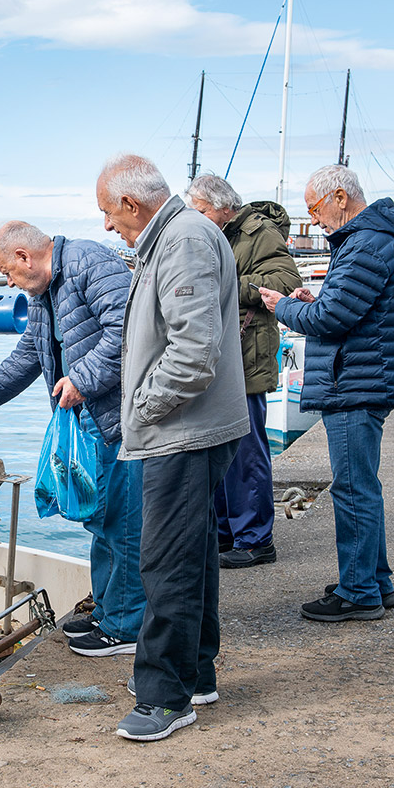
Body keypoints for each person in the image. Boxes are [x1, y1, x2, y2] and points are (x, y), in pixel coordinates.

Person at [0, 221, 144, 658]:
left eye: (6, 271)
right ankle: (109, 611)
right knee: (101, 520)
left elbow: (130, 330)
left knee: (124, 524)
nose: (7, 281)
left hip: (121, 420)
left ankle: (126, 627)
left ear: (25, 257)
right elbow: (29, 355)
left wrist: (82, 380)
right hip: (90, 421)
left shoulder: (92, 263)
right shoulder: (42, 294)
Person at [96, 154, 248, 741]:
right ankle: (197, 674)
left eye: (109, 213)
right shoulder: (177, 235)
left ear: (132, 204)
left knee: (165, 561)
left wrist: (142, 409)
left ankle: (165, 696)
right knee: (194, 554)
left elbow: (194, 351)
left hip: (182, 431)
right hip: (190, 428)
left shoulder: (182, 239)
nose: (108, 225)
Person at [257, 164, 394, 622]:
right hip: (365, 378)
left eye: (315, 207)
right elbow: (345, 309)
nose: (315, 218)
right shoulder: (374, 240)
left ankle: (360, 591)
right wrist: (314, 302)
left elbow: (332, 320)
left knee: (352, 489)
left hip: (356, 385)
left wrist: (282, 305)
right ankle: (375, 582)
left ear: (341, 197)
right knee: (361, 485)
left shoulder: (365, 243)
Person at [186, 174, 301, 569]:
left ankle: (255, 539)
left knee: (246, 451)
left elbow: (286, 281)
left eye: (200, 210)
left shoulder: (258, 232)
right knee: (220, 449)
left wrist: (224, 282)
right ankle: (226, 534)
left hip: (246, 353)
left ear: (223, 206)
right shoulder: (217, 232)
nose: (195, 217)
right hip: (224, 353)